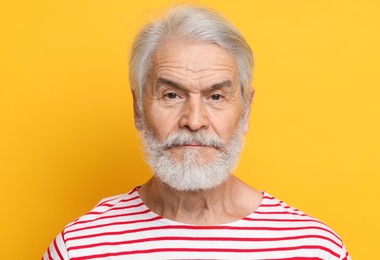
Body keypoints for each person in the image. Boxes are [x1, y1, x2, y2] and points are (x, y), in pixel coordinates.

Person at [43, 5, 350, 260]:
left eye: (216, 97)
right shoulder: (79, 247)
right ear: (138, 108)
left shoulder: (314, 248)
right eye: (171, 95)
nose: (194, 120)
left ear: (246, 110)